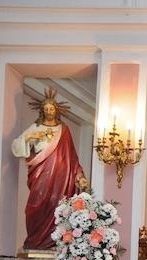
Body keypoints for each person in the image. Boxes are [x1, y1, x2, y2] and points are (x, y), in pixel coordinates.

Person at [11, 88, 89, 250]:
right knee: (35, 205)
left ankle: (53, 242)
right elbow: (17, 145)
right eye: (45, 109)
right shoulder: (36, 127)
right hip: (40, 174)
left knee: (57, 204)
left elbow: (72, 157)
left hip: (60, 177)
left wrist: (79, 175)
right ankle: (35, 241)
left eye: (51, 108)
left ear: (56, 110)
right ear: (42, 111)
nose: (49, 111)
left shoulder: (64, 130)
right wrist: (30, 137)